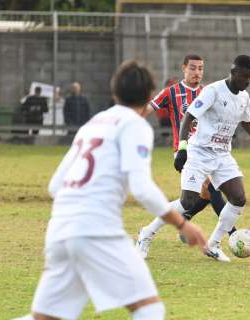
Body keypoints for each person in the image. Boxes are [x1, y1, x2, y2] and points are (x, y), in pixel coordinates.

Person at [13, 60, 206, 320]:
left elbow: (55, 185)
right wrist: (183, 225)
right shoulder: (135, 125)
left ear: (114, 92)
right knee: (149, 309)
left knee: (45, 317)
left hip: (59, 229)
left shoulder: (94, 123)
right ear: (150, 96)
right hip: (96, 230)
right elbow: (142, 189)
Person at [167, 55, 250, 263]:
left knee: (238, 198)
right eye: (244, 77)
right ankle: (147, 233)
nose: (247, 82)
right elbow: (189, 116)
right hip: (199, 152)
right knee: (188, 200)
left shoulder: (244, 97)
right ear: (233, 73)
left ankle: (212, 244)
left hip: (221, 155)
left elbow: (248, 122)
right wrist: (182, 148)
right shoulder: (213, 91)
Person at [137, 54, 235, 258]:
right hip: (185, 152)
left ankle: (159, 228)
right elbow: (147, 110)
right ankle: (225, 239)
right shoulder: (171, 92)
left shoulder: (207, 92)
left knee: (197, 198)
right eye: (193, 68)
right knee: (212, 190)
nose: (197, 72)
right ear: (184, 69)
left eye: (200, 68)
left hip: (208, 152)